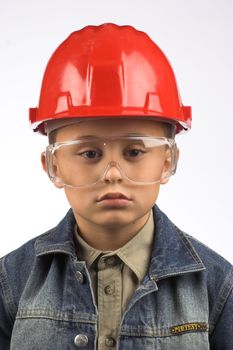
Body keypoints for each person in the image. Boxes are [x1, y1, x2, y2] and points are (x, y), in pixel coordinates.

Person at [0, 23, 232, 350]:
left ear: (167, 161)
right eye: (90, 153)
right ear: (53, 165)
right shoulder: (12, 282)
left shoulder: (217, 286)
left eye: (134, 152)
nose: (112, 174)